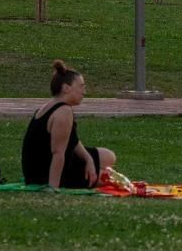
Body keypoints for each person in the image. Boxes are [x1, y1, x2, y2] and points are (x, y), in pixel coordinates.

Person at [21, 60, 117, 190]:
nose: (84, 92)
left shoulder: (52, 105)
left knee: (109, 157)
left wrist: (88, 159)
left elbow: (71, 139)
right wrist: (53, 187)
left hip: (48, 164)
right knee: (107, 178)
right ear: (66, 88)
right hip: (45, 173)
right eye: (81, 86)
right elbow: (57, 153)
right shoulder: (63, 112)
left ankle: (88, 169)